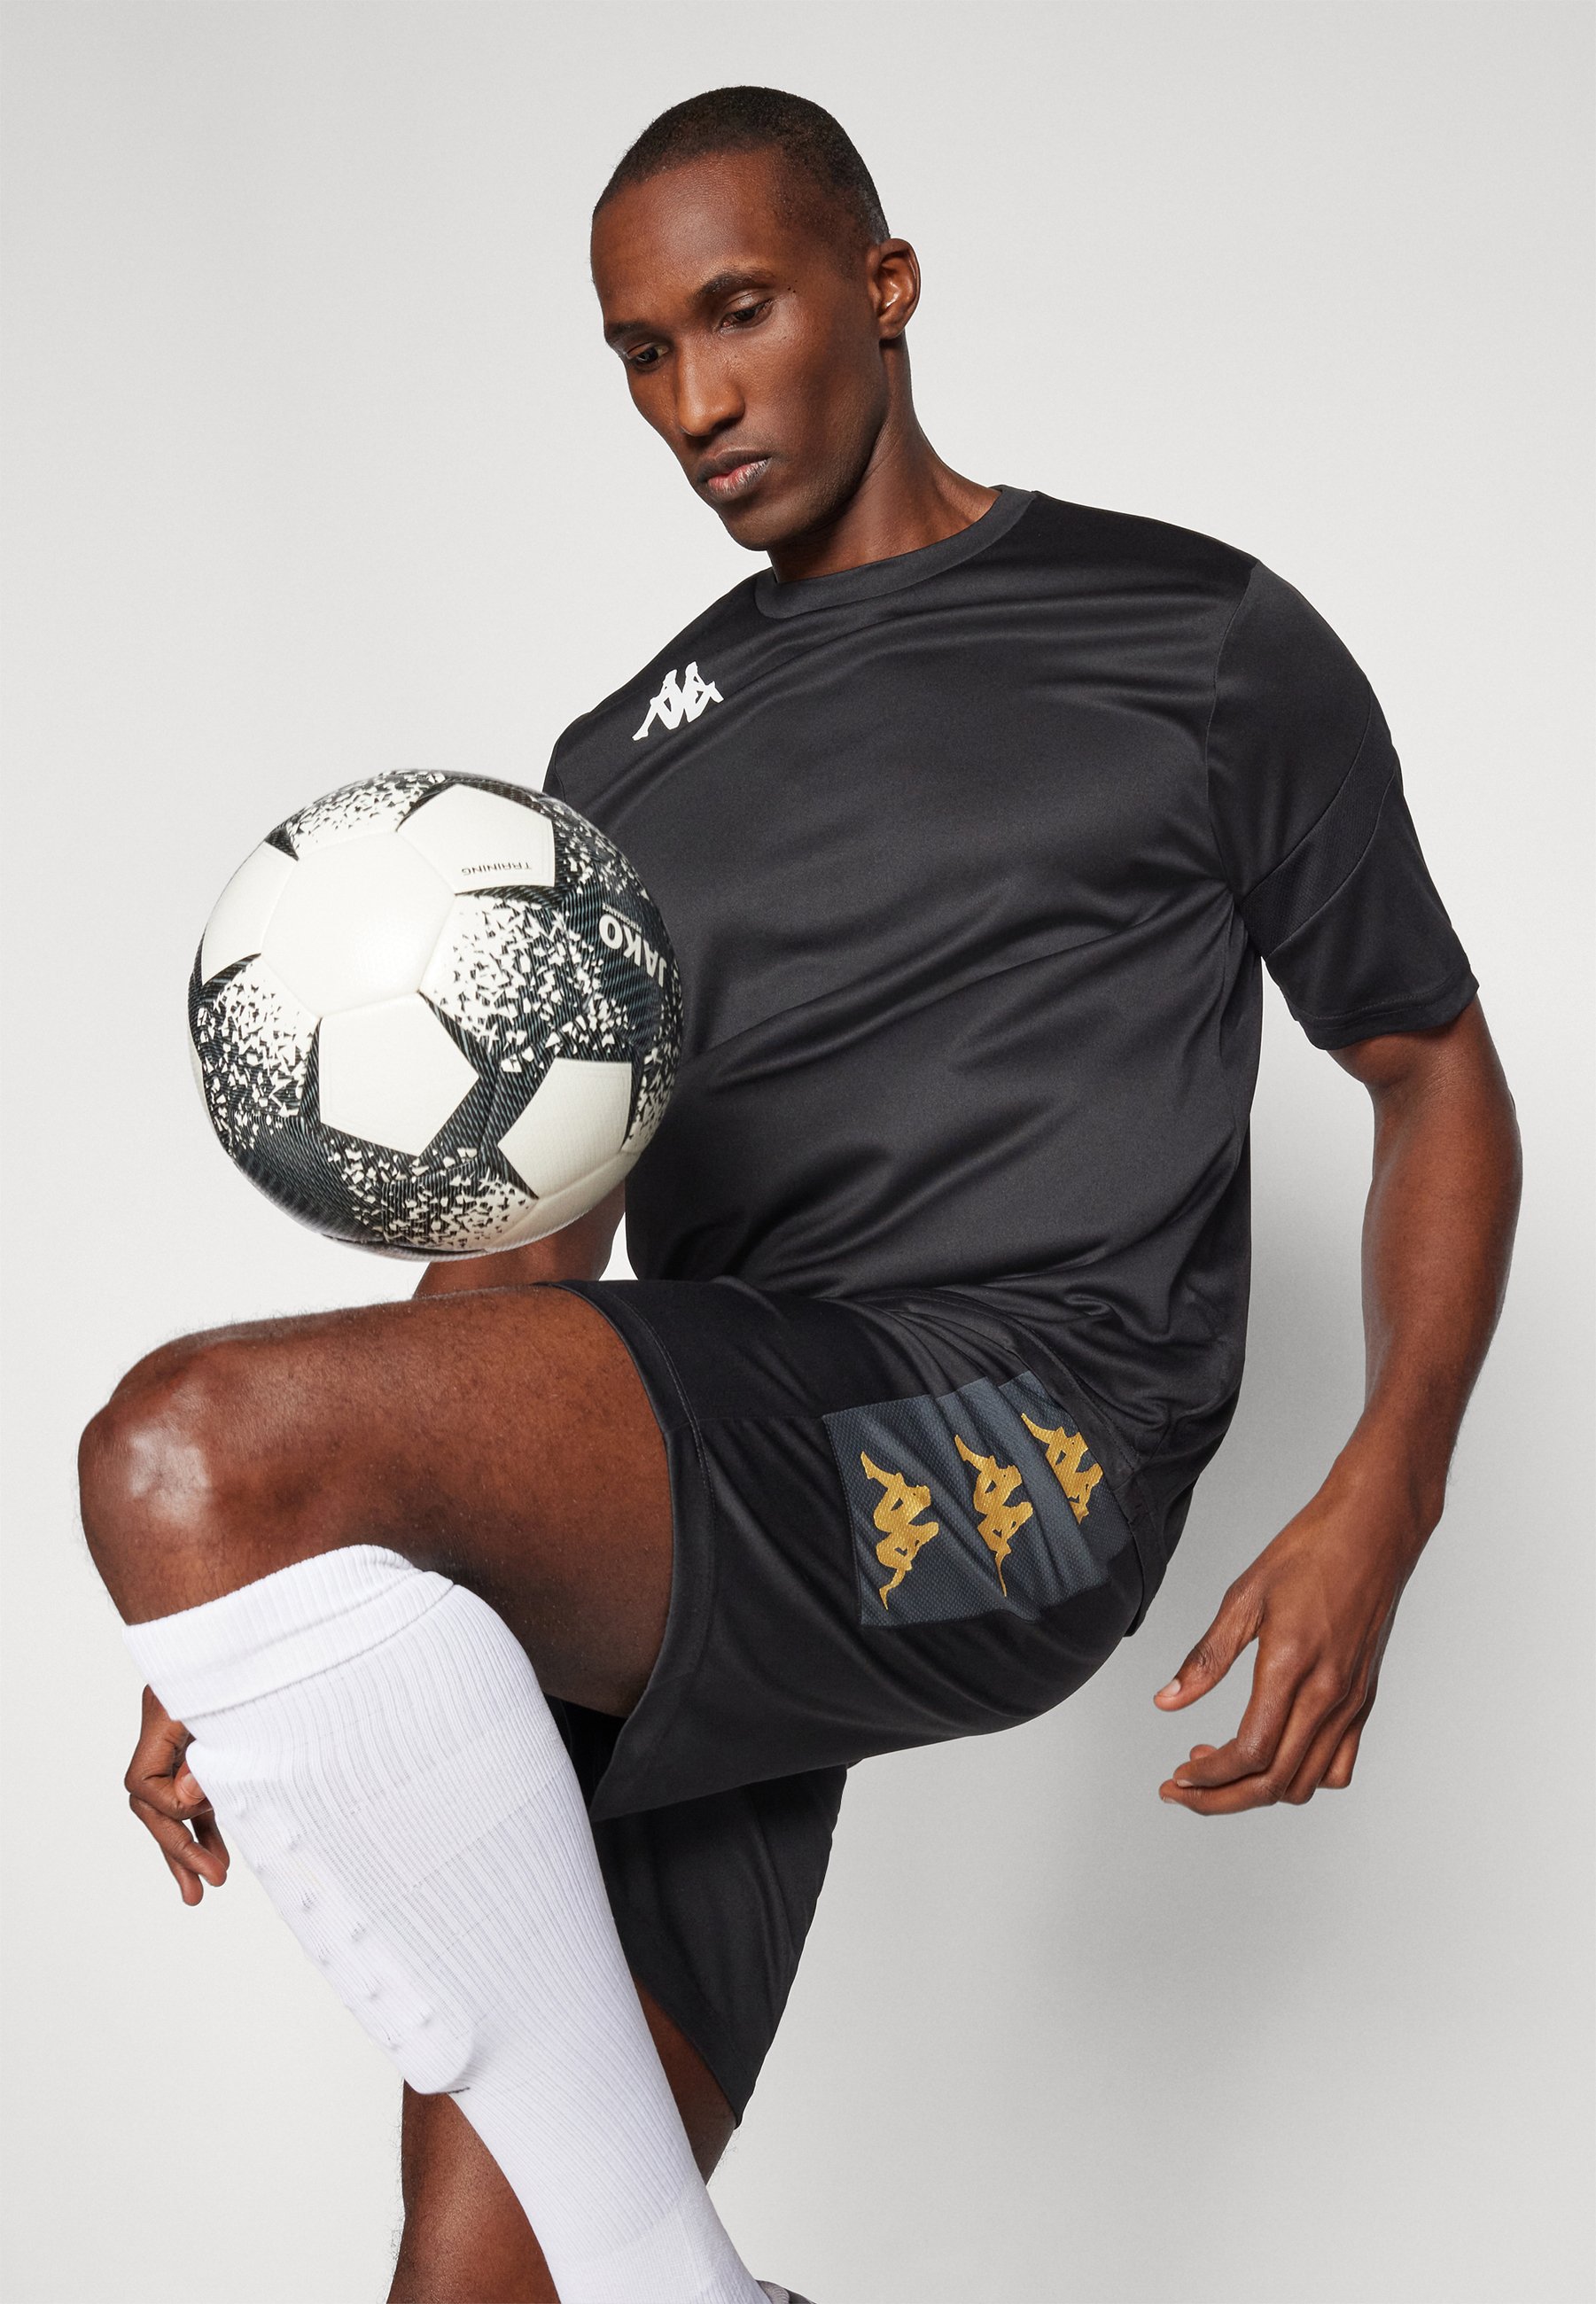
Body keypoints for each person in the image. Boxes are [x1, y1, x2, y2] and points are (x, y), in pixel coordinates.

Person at [79, 86, 1521, 2304]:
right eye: (641, 353)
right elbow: (534, 1238)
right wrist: (268, 1584)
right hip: (714, 1457)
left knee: (177, 1442)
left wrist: (1384, 1492)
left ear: (883, 284)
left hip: (1025, 1441)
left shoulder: (1193, 638)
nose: (694, 402)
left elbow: (1426, 1068)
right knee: (476, 2292)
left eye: (736, 313)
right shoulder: (617, 771)